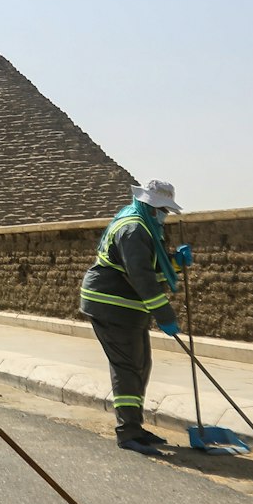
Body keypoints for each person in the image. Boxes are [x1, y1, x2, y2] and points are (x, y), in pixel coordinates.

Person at [80, 179, 187, 454]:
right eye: (162, 208)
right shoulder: (134, 228)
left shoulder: (144, 224)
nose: (164, 214)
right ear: (150, 205)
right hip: (111, 304)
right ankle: (128, 433)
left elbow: (150, 265)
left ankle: (135, 427)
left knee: (141, 366)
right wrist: (165, 314)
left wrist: (175, 261)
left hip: (127, 306)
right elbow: (142, 278)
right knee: (127, 367)